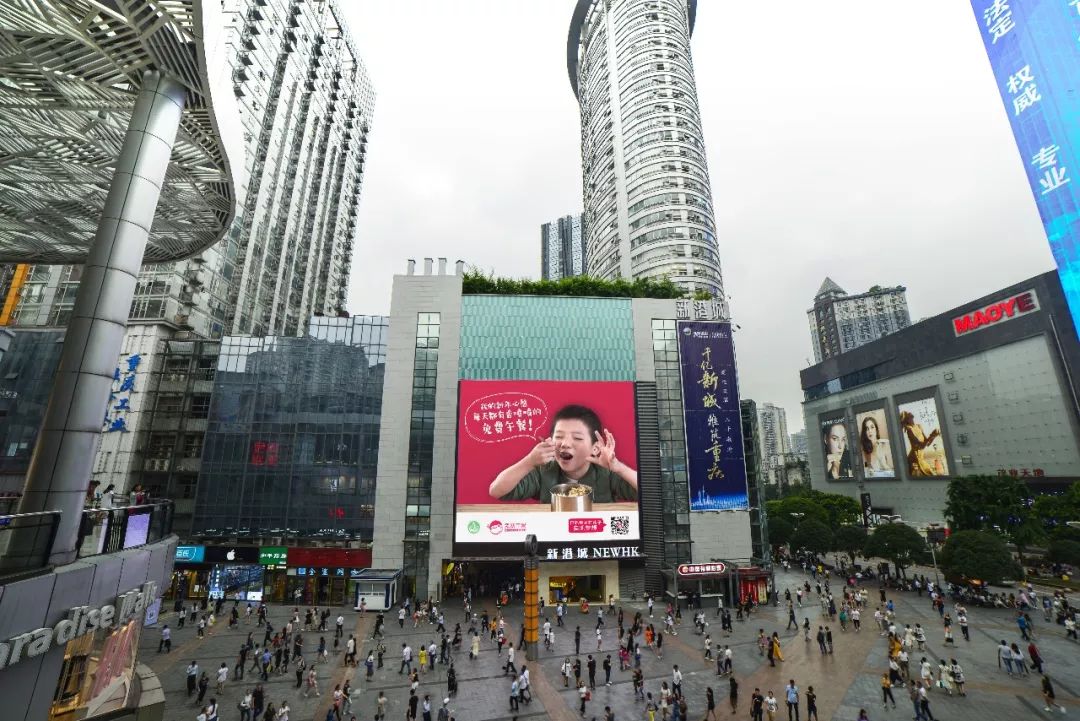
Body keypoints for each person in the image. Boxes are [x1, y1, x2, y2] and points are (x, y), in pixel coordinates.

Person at [487, 405, 638, 502]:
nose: (564, 444)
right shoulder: (544, 470)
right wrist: (529, 462)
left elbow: (649, 494)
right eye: (558, 437)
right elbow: (496, 490)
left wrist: (619, 467)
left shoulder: (607, 473)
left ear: (595, 448)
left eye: (577, 438)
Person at [899, 410, 941, 477]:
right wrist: (932, 435)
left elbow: (927, 443)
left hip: (921, 458)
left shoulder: (918, 426)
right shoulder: (909, 430)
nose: (909, 413)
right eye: (907, 414)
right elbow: (920, 446)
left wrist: (934, 436)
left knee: (931, 474)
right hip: (914, 460)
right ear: (906, 419)